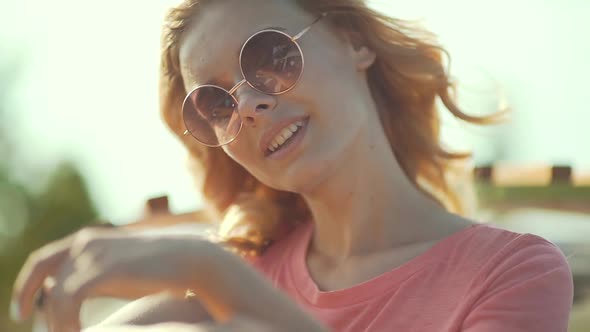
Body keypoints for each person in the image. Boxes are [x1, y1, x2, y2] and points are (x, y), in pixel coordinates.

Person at [10, 0, 574, 331]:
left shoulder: (512, 271)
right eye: (214, 103)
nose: (249, 107)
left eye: (270, 58)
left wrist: (211, 272)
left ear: (354, 42)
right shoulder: (209, 302)